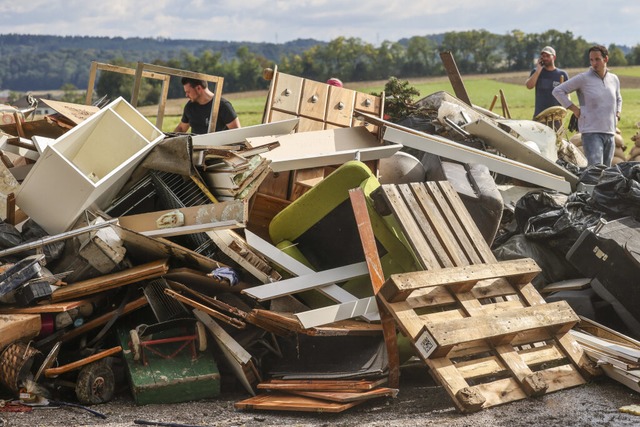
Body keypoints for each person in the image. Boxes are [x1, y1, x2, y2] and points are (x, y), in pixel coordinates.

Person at [552, 45, 622, 166]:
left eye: (597, 59)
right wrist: (574, 109)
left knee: (607, 172)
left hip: (610, 132)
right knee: (596, 169)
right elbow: (557, 91)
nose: (594, 63)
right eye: (591, 60)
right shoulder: (583, 78)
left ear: (606, 59)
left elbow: (618, 98)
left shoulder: (614, 79)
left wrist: (618, 115)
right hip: (591, 132)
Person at [174, 77, 241, 134]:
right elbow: (181, 128)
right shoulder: (189, 107)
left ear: (198, 88)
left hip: (219, 148)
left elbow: (236, 132)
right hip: (196, 148)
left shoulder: (223, 106)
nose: (186, 95)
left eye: (188, 92)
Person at [525, 46, 569, 120]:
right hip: (539, 116)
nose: (545, 58)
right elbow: (529, 86)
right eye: (543, 56)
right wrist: (538, 70)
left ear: (554, 57)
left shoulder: (562, 74)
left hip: (556, 117)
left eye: (548, 56)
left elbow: (567, 94)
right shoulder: (536, 72)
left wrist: (565, 107)